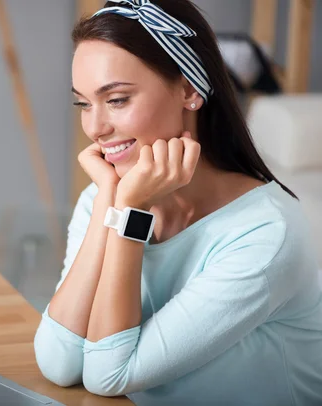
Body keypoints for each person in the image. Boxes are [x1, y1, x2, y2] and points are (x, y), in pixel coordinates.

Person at [33, 1, 322, 405]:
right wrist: (108, 203)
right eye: (84, 104)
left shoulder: (266, 233)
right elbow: (58, 361)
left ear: (188, 90)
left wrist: (129, 213)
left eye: (116, 100)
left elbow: (107, 374)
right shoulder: (107, 194)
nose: (95, 128)